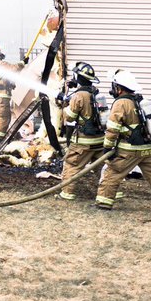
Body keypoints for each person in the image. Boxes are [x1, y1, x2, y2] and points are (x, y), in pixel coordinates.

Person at [94, 70, 151, 215]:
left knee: (112, 173)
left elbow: (113, 128)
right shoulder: (140, 100)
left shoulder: (121, 103)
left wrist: (107, 147)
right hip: (149, 148)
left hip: (128, 150)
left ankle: (103, 203)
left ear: (119, 87)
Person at [57, 62, 104, 201]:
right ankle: (111, 192)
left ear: (78, 77)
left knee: (72, 164)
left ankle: (67, 193)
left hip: (84, 140)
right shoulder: (95, 93)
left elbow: (70, 117)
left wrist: (66, 103)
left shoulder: (78, 96)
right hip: (99, 139)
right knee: (102, 167)